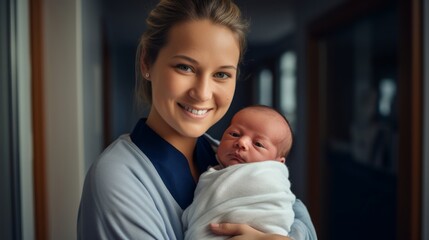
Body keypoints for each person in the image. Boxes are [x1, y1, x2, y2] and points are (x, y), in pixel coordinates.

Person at [77, 0, 317, 239]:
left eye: (221, 74)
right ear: (146, 62)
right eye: (185, 67)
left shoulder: (224, 154)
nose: (202, 93)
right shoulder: (118, 177)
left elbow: (294, 212)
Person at [182, 105, 296, 240]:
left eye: (258, 144)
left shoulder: (270, 181)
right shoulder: (210, 157)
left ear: (277, 163)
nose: (241, 142)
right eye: (234, 134)